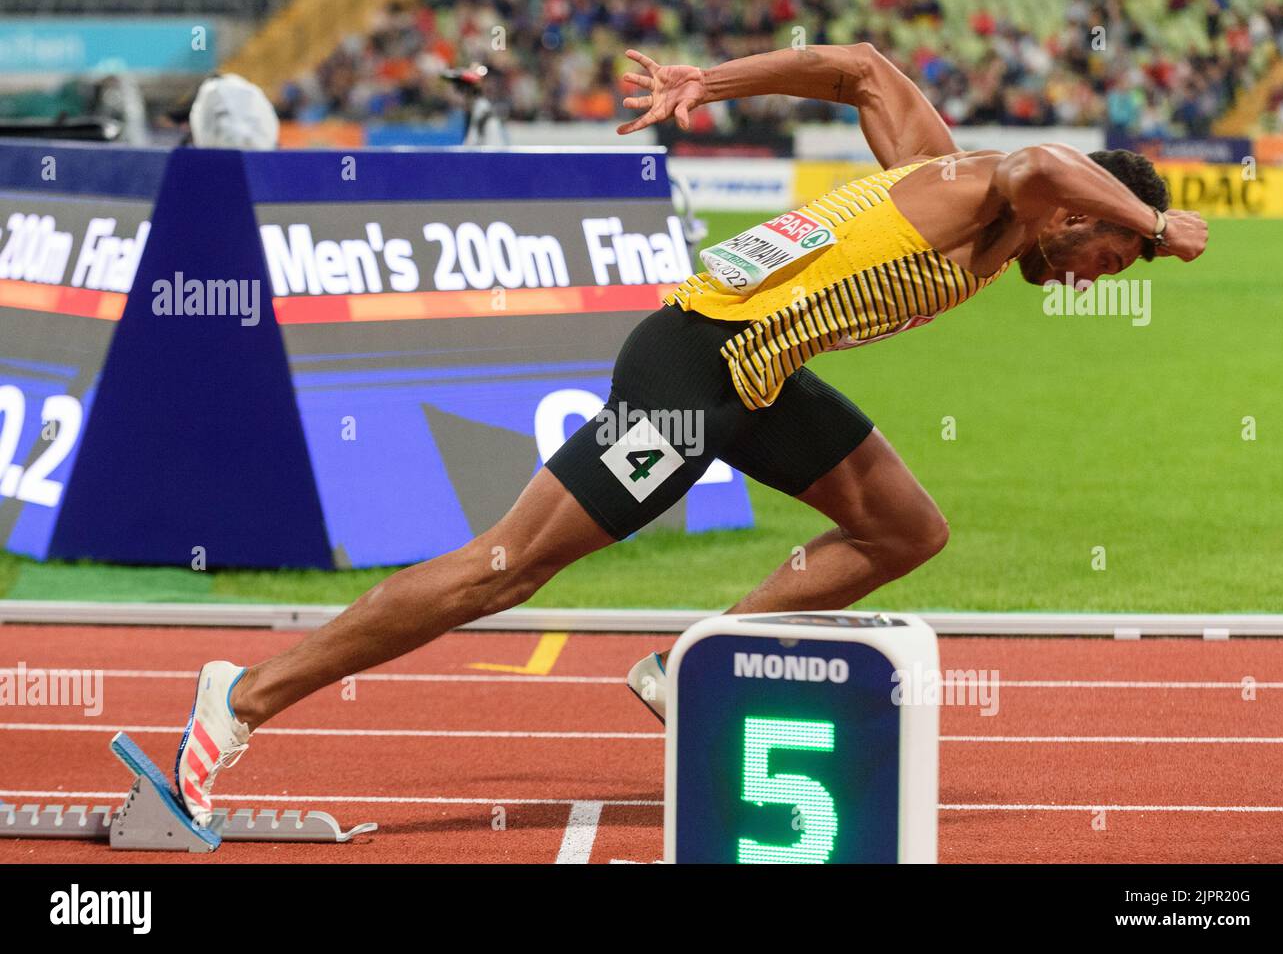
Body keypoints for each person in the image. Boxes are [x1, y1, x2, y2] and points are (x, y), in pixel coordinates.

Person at [173, 43, 1207, 826]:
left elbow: (861, 69)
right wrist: (1163, 224)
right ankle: (244, 698)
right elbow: (1042, 159)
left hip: (754, 380)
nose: (1093, 279)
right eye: (1110, 256)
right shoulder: (1007, 184)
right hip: (690, 368)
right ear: (1089, 212)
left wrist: (708, 81)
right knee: (505, 567)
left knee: (901, 528)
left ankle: (692, 665)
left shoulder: (940, 174)